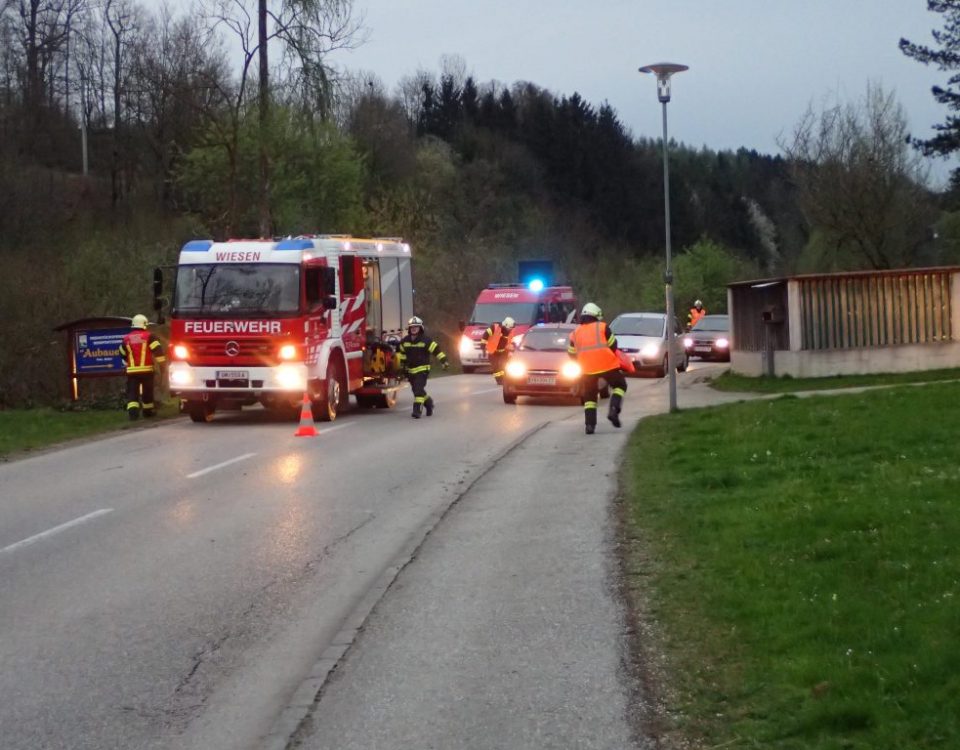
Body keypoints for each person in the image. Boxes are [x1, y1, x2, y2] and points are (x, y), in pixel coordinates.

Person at [567, 302, 627, 435]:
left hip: (587, 369)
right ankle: (613, 409)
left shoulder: (575, 333)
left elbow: (571, 353)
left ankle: (589, 426)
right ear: (596, 316)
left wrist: (582, 362)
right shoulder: (603, 327)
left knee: (589, 398)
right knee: (620, 385)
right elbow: (613, 345)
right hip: (607, 365)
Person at [395, 315, 449, 418]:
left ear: (420, 328)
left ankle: (417, 411)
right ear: (409, 329)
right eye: (412, 327)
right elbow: (402, 354)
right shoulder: (405, 341)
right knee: (416, 390)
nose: (414, 328)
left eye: (416, 327)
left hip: (423, 370)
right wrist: (402, 367)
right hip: (410, 371)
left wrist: (444, 361)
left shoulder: (426, 341)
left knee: (418, 390)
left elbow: (437, 351)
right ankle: (429, 404)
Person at [119, 314, 166, 420]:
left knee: (132, 392)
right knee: (147, 392)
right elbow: (158, 352)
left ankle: (133, 415)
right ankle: (147, 412)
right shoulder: (150, 336)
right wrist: (163, 367)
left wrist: (128, 360)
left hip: (132, 371)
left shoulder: (126, 339)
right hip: (147, 370)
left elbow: (121, 352)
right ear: (144, 324)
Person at [482, 316, 515, 384]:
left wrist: (512, 349)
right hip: (493, 351)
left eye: (511, 328)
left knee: (502, 366)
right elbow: (485, 335)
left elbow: (510, 341)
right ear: (505, 325)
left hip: (504, 352)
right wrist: (483, 345)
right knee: (495, 367)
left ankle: (504, 379)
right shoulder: (494, 327)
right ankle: (499, 380)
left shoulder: (510, 331)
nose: (510, 330)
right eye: (509, 328)